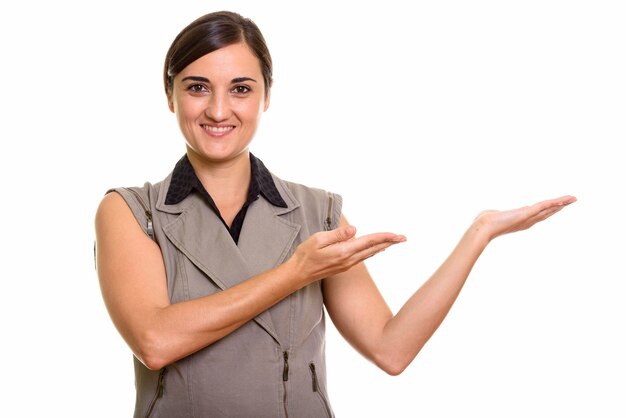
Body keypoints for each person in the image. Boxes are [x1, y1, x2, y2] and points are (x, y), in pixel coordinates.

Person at [94, 10, 576, 418]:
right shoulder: (133, 211)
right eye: (198, 87)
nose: (219, 110)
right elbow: (155, 341)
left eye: (240, 89)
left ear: (266, 96)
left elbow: (391, 349)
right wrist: (296, 273)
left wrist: (479, 233)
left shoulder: (316, 212)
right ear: (170, 94)